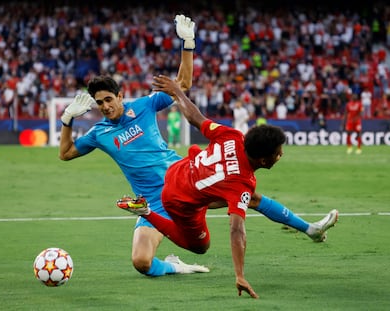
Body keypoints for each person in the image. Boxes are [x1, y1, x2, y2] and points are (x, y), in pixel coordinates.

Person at [118, 75, 339, 298]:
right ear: (263, 161)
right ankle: (147, 212)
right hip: (177, 199)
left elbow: (195, 117)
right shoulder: (242, 183)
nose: (280, 156)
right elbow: (236, 230)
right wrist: (239, 274)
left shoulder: (233, 136)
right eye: (278, 154)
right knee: (201, 246)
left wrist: (177, 91)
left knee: (249, 197)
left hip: (180, 169)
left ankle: (311, 229)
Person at [59, 15, 209, 276]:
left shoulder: (144, 105)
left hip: (182, 182)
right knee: (142, 262)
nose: (105, 107)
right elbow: (66, 153)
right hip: (151, 202)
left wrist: (187, 43)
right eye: (99, 103)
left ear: (120, 96)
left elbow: (182, 85)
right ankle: (176, 267)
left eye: (108, 99)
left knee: (240, 196)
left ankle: (301, 225)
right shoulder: (99, 133)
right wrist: (67, 120)